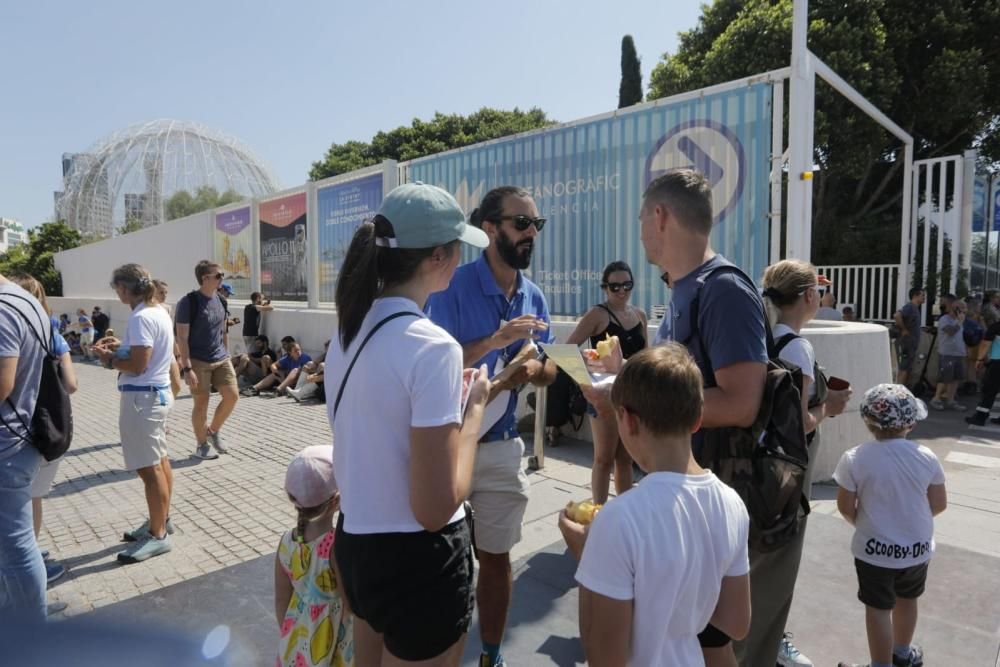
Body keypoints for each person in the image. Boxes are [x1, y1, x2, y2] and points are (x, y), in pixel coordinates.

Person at [582, 169, 767, 667]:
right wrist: (626, 381)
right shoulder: (685, 288)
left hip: (706, 497)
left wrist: (640, 402)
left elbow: (742, 401)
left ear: (659, 216)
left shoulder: (722, 290)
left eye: (642, 216)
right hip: (683, 497)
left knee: (707, 640)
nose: (640, 229)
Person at [327, 182, 490, 666]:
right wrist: (474, 410)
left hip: (358, 546)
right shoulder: (434, 346)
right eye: (458, 248)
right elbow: (435, 508)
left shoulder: (346, 332)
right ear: (438, 257)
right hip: (420, 562)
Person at [426, 185, 559, 667]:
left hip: (503, 447)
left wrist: (532, 370)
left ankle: (491, 654)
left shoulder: (534, 295)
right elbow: (436, 366)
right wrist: (496, 341)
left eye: (535, 225)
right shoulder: (452, 287)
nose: (531, 234)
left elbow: (548, 370)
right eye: (521, 223)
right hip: (446, 441)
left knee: (497, 558)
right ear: (489, 229)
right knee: (440, 558)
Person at [559, 344, 751, 665]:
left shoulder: (619, 519)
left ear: (628, 421)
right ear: (697, 419)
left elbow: (604, 657)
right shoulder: (732, 504)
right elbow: (736, 623)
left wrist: (588, 557)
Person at [761, 259, 854, 667]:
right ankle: (771, 641)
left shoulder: (767, 338)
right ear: (810, 297)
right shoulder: (798, 346)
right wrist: (830, 408)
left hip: (764, 459)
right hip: (790, 464)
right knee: (782, 555)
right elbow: (800, 422)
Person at [834, 384, 946, 667]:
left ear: (868, 421)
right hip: (917, 549)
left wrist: (867, 524)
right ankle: (903, 653)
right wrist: (909, 525)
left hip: (874, 552)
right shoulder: (926, 456)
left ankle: (880, 664)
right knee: (908, 600)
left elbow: (846, 507)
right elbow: (939, 503)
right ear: (910, 422)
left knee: (879, 609)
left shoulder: (855, 458)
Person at [91, 264, 176, 563]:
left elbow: (139, 365)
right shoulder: (159, 311)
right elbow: (149, 355)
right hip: (156, 394)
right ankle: (161, 521)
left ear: (125, 288)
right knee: (160, 461)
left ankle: (158, 535)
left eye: (117, 289)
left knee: (148, 468)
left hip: (142, 398)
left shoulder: (140, 317)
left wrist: (108, 359)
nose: (117, 294)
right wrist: (124, 347)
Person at [7, 273, 79, 586]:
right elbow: (71, 383)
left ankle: (34, 566)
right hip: (46, 428)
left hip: (22, 432)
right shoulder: (47, 324)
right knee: (30, 503)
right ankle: (34, 557)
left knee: (18, 539)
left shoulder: (8, 317)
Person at [564, 260, 647, 504]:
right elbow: (567, 349)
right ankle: (598, 514)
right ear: (605, 288)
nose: (621, 291)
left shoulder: (640, 315)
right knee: (604, 458)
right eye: (615, 286)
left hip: (631, 394)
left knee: (625, 458)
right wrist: (587, 373)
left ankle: (624, 512)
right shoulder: (597, 314)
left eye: (627, 285)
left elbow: (646, 357)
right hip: (603, 394)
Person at [0, 273, 55, 620]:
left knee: (16, 548)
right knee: (15, 547)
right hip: (22, 439)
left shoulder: (3, 308)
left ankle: (31, 637)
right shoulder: (26, 300)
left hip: (6, 448)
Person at [275, 445, 354, 667]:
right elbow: (349, 603)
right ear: (336, 500)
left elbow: (282, 598)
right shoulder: (335, 546)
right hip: (334, 643)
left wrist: (290, 634)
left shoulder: (286, 542)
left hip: (296, 639)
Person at [174, 260, 239, 460]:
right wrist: (187, 368)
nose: (222, 278)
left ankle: (213, 431)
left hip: (221, 358)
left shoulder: (221, 300)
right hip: (198, 361)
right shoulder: (188, 302)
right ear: (205, 278)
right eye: (218, 275)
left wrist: (227, 354)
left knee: (232, 396)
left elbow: (223, 329)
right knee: (201, 404)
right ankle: (201, 445)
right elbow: (181, 337)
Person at [929, 299, 967, 411]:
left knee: (956, 378)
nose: (964, 313)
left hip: (958, 353)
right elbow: (950, 332)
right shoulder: (944, 320)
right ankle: (936, 398)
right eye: (962, 310)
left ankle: (950, 400)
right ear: (956, 309)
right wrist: (959, 322)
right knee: (945, 377)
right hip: (947, 353)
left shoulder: (959, 320)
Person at [966, 312, 1000, 426]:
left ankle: (980, 417)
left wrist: (979, 359)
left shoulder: (996, 327)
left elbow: (985, 344)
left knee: (989, 390)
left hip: (997, 363)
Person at [241, 342, 312, 397]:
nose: (298, 352)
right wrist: (278, 372)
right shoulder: (288, 358)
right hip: (286, 381)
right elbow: (273, 365)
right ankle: (254, 389)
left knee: (295, 370)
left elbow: (305, 372)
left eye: (299, 350)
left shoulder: (305, 358)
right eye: (295, 351)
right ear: (290, 353)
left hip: (298, 383)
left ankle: (279, 390)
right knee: (274, 374)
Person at [151, 279, 182, 397]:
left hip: (169, 352)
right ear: (152, 292)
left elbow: (170, 333)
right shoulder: (147, 309)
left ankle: (166, 407)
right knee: (157, 385)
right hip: (154, 353)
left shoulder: (168, 308)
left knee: (177, 386)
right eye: (161, 293)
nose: (164, 296)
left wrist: (178, 355)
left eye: (166, 293)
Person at [894, 288, 926, 388]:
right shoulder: (910, 307)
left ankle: (901, 390)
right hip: (906, 343)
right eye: (922, 295)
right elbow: (897, 315)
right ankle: (898, 392)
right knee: (904, 368)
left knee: (906, 368)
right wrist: (903, 329)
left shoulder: (914, 308)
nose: (924, 298)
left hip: (910, 343)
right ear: (915, 296)